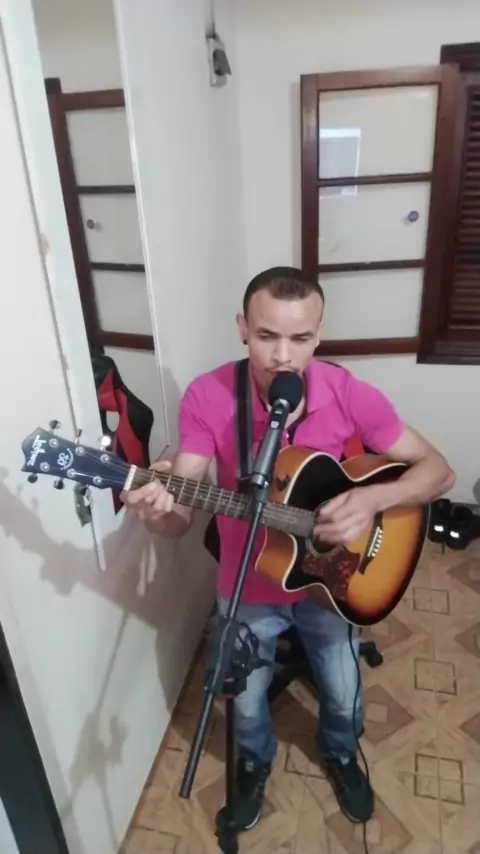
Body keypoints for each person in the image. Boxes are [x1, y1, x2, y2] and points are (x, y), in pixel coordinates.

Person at [121, 266, 455, 830]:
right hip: (247, 585)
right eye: (266, 335)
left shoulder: (349, 393)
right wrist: (157, 511)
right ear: (242, 328)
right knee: (246, 700)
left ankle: (341, 752)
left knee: (343, 688)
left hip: (336, 581)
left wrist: (372, 500)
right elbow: (181, 507)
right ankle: (254, 762)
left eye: (300, 338)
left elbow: (438, 472)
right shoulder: (208, 396)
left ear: (319, 334)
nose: (282, 356)